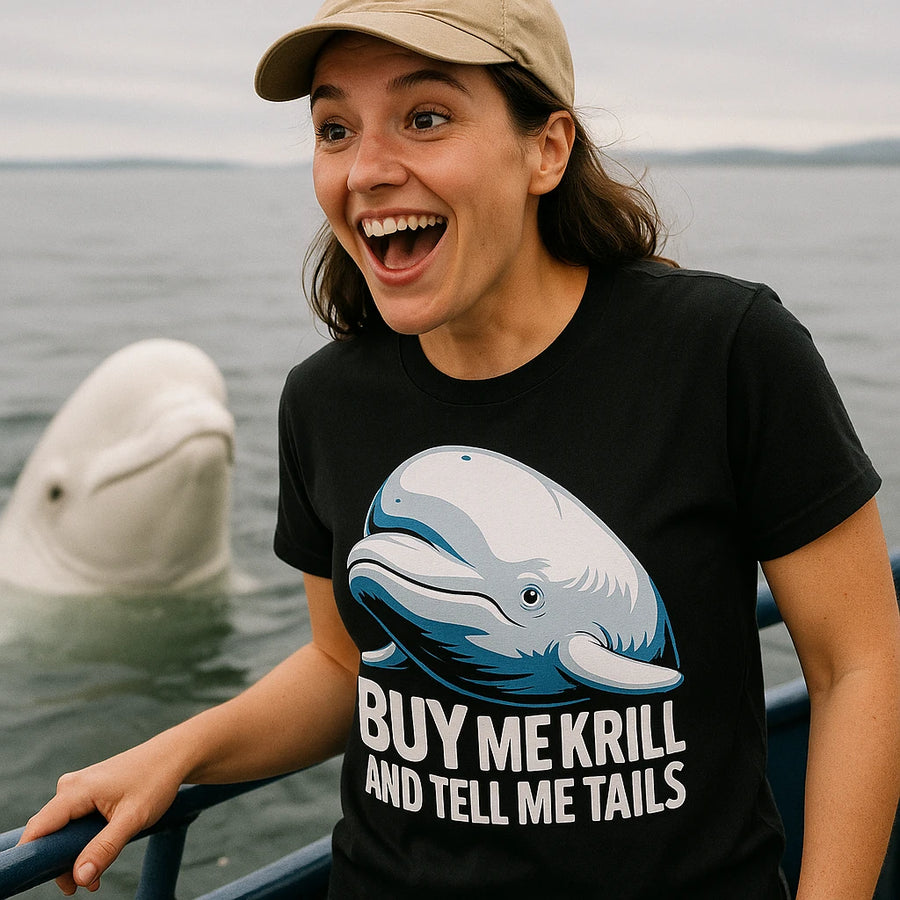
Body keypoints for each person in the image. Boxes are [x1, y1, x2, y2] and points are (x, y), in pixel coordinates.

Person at [20, 1, 900, 897]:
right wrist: (181, 749)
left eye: (426, 117)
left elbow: (856, 661)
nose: (366, 169)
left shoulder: (724, 351)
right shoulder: (325, 401)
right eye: (334, 128)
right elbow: (342, 662)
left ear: (546, 149)